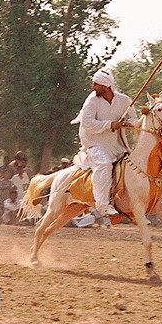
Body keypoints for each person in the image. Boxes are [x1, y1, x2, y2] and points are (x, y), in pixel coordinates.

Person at [70, 69, 137, 216]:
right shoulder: (91, 100)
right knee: (104, 164)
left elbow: (135, 121)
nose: (93, 87)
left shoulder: (125, 100)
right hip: (94, 143)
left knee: (134, 166)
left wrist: (126, 123)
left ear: (106, 86)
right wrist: (110, 125)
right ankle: (102, 205)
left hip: (117, 144)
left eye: (96, 84)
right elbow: (87, 123)